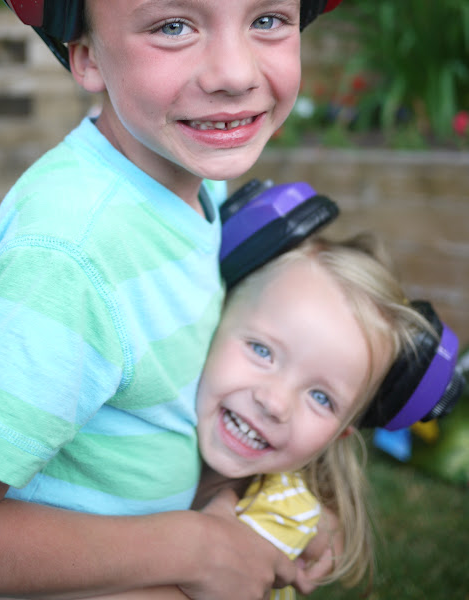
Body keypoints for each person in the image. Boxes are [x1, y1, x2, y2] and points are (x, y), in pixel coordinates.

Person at [0, 0, 336, 600]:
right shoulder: (69, 258)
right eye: (174, 26)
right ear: (85, 54)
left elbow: (150, 411)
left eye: (268, 20)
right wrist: (197, 549)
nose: (233, 72)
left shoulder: (186, 183)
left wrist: (250, 507)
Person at [68, 227, 456, 600]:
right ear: (211, 323)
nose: (275, 403)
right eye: (262, 351)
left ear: (340, 433)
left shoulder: (284, 513)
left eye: (321, 398)